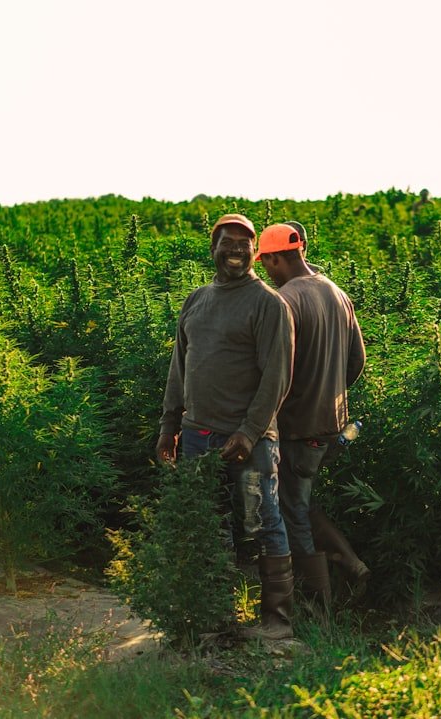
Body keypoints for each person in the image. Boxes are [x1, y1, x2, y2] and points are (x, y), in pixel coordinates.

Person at [157, 213, 296, 640]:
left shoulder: (269, 304)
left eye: (243, 243)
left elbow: (278, 376)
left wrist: (250, 431)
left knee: (264, 521)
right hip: (198, 434)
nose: (235, 250)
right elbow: (180, 366)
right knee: (207, 522)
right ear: (213, 248)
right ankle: (215, 617)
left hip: (249, 441)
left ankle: (276, 621)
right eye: (226, 242)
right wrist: (169, 425)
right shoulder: (197, 300)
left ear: (255, 251)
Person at [255, 223, 369, 612]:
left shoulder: (285, 300)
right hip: (334, 427)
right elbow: (357, 361)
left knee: (292, 516)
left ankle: (316, 605)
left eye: (265, 262)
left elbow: (276, 372)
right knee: (300, 501)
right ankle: (350, 563)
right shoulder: (337, 293)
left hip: (297, 428)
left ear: (275, 257)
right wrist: (330, 393)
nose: (265, 271)